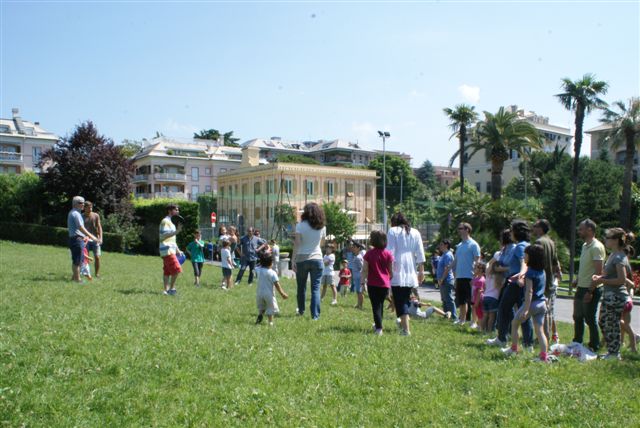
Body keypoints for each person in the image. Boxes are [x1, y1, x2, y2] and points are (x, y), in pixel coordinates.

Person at [488, 221, 533, 349]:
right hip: (522, 282)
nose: (511, 233)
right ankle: (528, 344)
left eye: (512, 230)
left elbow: (523, 262)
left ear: (517, 232)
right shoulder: (527, 245)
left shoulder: (520, 246)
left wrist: (521, 275)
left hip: (516, 282)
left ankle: (502, 339)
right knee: (523, 312)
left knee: (504, 308)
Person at [503, 244, 550, 362]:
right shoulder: (542, 271)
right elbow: (537, 284)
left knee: (514, 323)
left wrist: (526, 309)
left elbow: (529, 291)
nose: (524, 257)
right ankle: (544, 356)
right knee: (540, 331)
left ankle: (514, 349)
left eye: (526, 255)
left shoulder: (529, 273)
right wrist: (520, 278)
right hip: (542, 303)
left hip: (531, 304)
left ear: (531, 257)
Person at [592, 228, 634, 360]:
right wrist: (599, 277)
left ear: (615, 240)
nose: (605, 240)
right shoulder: (612, 255)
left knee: (611, 324)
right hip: (609, 295)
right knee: (604, 322)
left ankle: (614, 354)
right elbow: (611, 275)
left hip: (616, 297)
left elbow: (621, 280)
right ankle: (612, 351)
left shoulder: (619, 257)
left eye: (608, 238)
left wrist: (601, 280)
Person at [387, 212, 426, 336]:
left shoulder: (393, 231)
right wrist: (421, 271)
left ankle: (406, 330)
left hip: (397, 267)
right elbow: (420, 253)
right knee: (404, 298)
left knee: (400, 300)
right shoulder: (415, 232)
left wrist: (389, 270)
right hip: (411, 268)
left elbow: (390, 252)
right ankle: (402, 323)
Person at [572, 219, 606, 352]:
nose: (579, 231)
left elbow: (598, 272)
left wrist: (590, 291)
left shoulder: (596, 247)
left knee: (589, 318)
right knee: (577, 316)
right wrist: (577, 279)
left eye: (581, 229)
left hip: (591, 288)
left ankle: (594, 345)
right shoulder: (585, 245)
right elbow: (585, 266)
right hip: (581, 287)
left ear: (590, 230)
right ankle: (577, 342)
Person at [292, 202, 326, 320]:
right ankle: (315, 316)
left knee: (301, 287)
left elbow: (297, 244)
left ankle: (301, 310)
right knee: (315, 289)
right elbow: (322, 243)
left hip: (302, 259)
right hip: (317, 258)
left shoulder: (300, 225)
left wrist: (293, 260)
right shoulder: (322, 227)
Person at [533, 219, 563, 344]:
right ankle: (547, 336)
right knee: (549, 310)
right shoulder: (551, 242)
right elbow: (555, 262)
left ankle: (543, 337)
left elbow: (536, 262)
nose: (533, 228)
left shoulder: (539, 242)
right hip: (550, 280)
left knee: (543, 311)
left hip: (542, 280)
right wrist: (558, 273)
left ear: (541, 228)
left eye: (535, 226)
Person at [361, 230, 394, 335]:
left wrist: (362, 283)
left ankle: (379, 329)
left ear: (373, 240)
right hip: (384, 284)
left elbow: (365, 270)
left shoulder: (369, 254)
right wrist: (388, 281)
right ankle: (378, 324)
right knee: (380, 305)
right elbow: (391, 271)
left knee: (376, 306)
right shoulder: (388, 254)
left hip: (373, 284)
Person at [451, 222, 481, 325]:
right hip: (460, 276)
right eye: (459, 228)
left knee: (472, 301)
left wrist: (476, 276)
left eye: (461, 228)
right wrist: (449, 269)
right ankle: (462, 320)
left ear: (467, 230)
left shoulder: (473, 244)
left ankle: (474, 322)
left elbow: (477, 261)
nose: (459, 230)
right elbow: (455, 261)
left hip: (470, 276)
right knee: (462, 300)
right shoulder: (459, 245)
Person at [67, 196, 99, 283]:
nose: (83, 205)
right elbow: (80, 227)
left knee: (78, 260)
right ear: (75, 204)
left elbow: (77, 229)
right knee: (77, 261)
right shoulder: (76, 214)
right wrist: (91, 236)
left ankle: (74, 278)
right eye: (81, 203)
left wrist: (85, 236)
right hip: (76, 240)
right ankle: (78, 280)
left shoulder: (74, 213)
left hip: (76, 239)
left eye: (84, 203)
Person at [255, 253, 288, 327]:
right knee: (270, 308)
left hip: (259, 293)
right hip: (269, 294)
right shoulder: (272, 273)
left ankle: (260, 315)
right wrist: (282, 293)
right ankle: (270, 322)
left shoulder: (258, 270)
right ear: (271, 263)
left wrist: (261, 263)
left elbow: (256, 267)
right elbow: (277, 284)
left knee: (262, 307)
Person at [159, 204, 184, 295]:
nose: (178, 211)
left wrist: (177, 250)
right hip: (167, 250)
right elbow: (163, 235)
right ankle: (172, 289)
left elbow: (172, 239)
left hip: (170, 250)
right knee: (177, 269)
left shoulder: (171, 223)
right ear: (169, 211)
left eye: (178, 210)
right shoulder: (165, 221)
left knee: (167, 271)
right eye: (176, 210)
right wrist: (177, 231)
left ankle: (165, 290)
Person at [481, 251, 503, 333]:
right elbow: (499, 288)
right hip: (494, 298)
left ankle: (482, 330)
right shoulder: (499, 277)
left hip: (485, 296)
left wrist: (491, 262)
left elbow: (487, 265)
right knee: (492, 316)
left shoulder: (488, 275)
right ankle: (489, 331)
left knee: (485, 315)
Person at [436, 239, 457, 321]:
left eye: (441, 244)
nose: (440, 246)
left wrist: (442, 279)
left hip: (446, 280)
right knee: (444, 299)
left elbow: (447, 268)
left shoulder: (448, 255)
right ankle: (446, 315)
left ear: (446, 245)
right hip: (442, 280)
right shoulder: (443, 255)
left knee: (449, 299)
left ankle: (454, 317)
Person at [82, 201, 103, 278]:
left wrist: (100, 238)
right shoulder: (81, 216)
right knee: (86, 258)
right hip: (85, 240)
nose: (90, 209)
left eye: (91, 207)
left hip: (95, 239)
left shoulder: (96, 215)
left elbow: (99, 227)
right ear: (84, 208)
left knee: (97, 257)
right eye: (88, 208)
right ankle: (86, 273)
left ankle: (97, 274)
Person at [350, 242, 365, 309]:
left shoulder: (359, 257)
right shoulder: (355, 256)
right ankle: (358, 304)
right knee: (358, 291)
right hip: (356, 277)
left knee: (360, 292)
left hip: (359, 277)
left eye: (354, 247)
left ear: (358, 248)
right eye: (353, 247)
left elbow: (362, 267)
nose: (353, 248)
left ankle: (360, 305)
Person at [471, 262, 486, 330]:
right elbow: (471, 283)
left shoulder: (481, 280)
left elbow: (480, 292)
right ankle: (479, 325)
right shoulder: (477, 278)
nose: (474, 269)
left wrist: (476, 302)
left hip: (479, 299)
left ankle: (480, 327)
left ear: (480, 270)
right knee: (477, 312)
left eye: (476, 268)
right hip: (475, 298)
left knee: (480, 313)